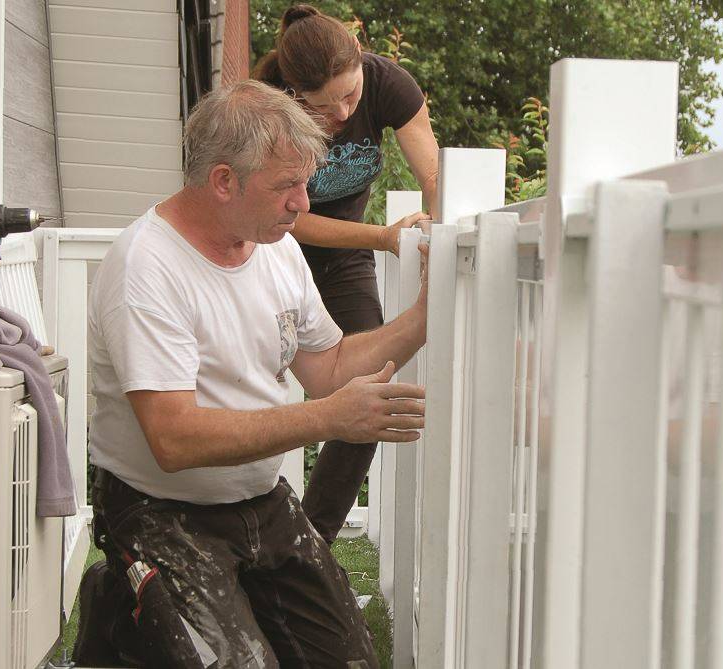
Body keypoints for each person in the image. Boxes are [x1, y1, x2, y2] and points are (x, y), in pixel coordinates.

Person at [79, 80, 428, 667]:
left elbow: (330, 368)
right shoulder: (146, 270)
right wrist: (327, 420)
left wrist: (426, 315)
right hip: (158, 506)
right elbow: (173, 438)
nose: (304, 204)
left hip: (261, 499)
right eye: (286, 186)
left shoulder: (274, 248)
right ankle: (120, 608)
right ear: (222, 181)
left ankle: (130, 613)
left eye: (304, 183)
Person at [253, 3, 440, 544]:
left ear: (361, 61)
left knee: (374, 383)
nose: (340, 114)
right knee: (245, 386)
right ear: (293, 94)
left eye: (351, 96)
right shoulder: (268, 105)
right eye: (322, 105)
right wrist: (384, 236)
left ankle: (307, 548)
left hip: (344, 260)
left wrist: (441, 235)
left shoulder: (389, 84)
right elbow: (291, 219)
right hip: (270, 249)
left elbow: (432, 173)